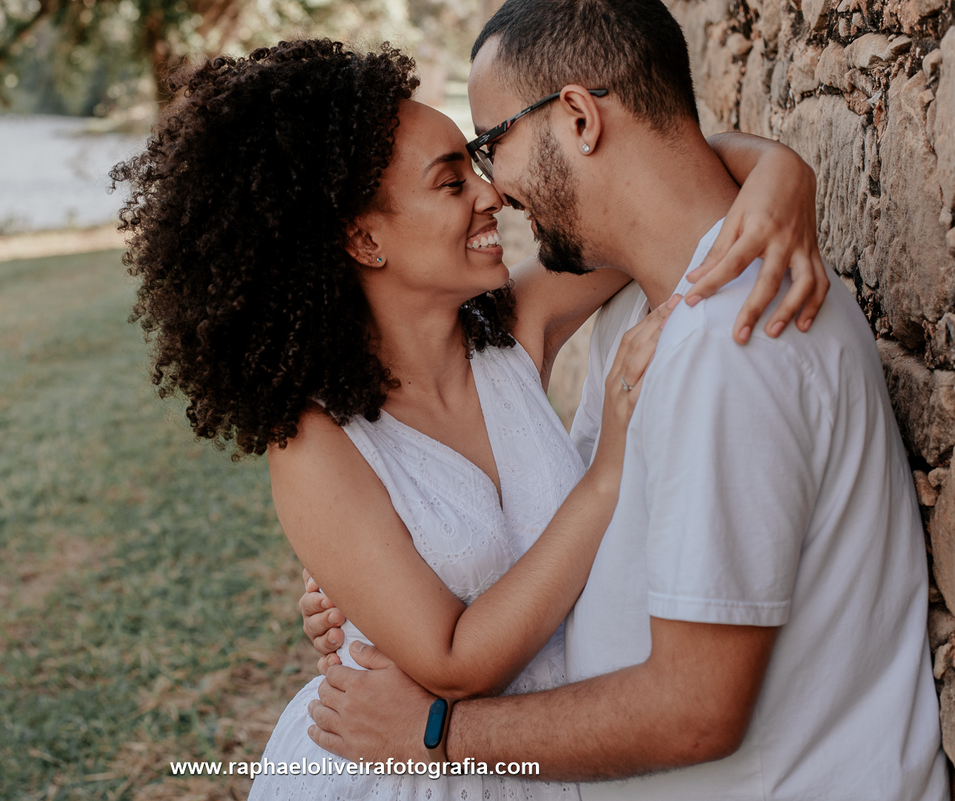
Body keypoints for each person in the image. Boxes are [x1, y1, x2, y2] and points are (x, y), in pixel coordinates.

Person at [111, 39, 828, 800]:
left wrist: (783, 172)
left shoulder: (515, 328)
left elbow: (660, 201)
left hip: (548, 753)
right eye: (452, 182)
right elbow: (450, 657)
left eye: (476, 168)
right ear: (364, 238)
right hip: (404, 772)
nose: (492, 195)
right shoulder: (316, 444)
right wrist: (609, 472)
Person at [301, 1, 948, 799]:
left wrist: (434, 733)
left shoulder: (721, 342)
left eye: (489, 146)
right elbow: (675, 187)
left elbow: (693, 713)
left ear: (577, 115)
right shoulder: (649, 306)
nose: (494, 188)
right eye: (457, 171)